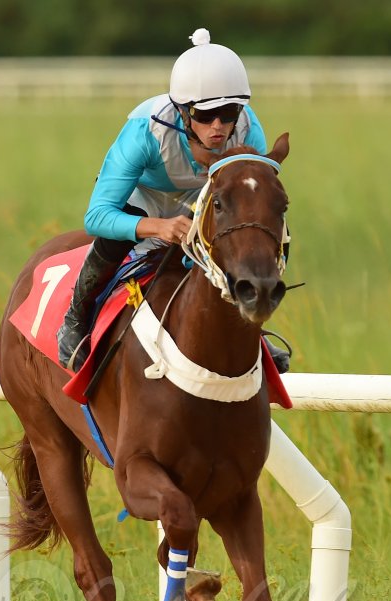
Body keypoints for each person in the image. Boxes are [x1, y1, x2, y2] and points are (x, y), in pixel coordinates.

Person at [57, 28, 291, 373]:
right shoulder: (144, 131)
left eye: (229, 112)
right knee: (113, 239)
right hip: (144, 198)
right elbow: (97, 216)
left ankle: (252, 328)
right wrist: (158, 227)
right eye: (205, 115)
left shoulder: (247, 129)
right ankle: (76, 318)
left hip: (204, 198)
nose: (218, 126)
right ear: (182, 111)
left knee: (242, 234)